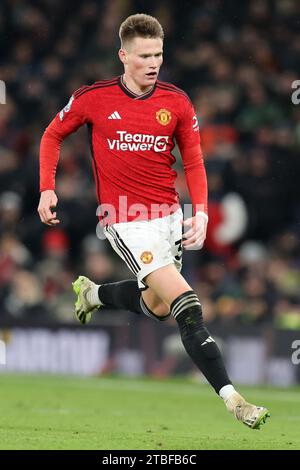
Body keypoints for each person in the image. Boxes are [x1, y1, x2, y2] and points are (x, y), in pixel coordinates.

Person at [38, 13, 269, 429]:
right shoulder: (94, 97)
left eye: (159, 54)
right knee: (187, 305)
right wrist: (47, 187)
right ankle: (234, 399)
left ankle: (95, 296)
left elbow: (194, 160)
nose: (153, 63)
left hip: (167, 217)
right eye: (144, 55)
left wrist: (198, 211)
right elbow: (52, 135)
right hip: (124, 218)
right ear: (123, 56)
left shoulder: (176, 102)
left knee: (158, 306)